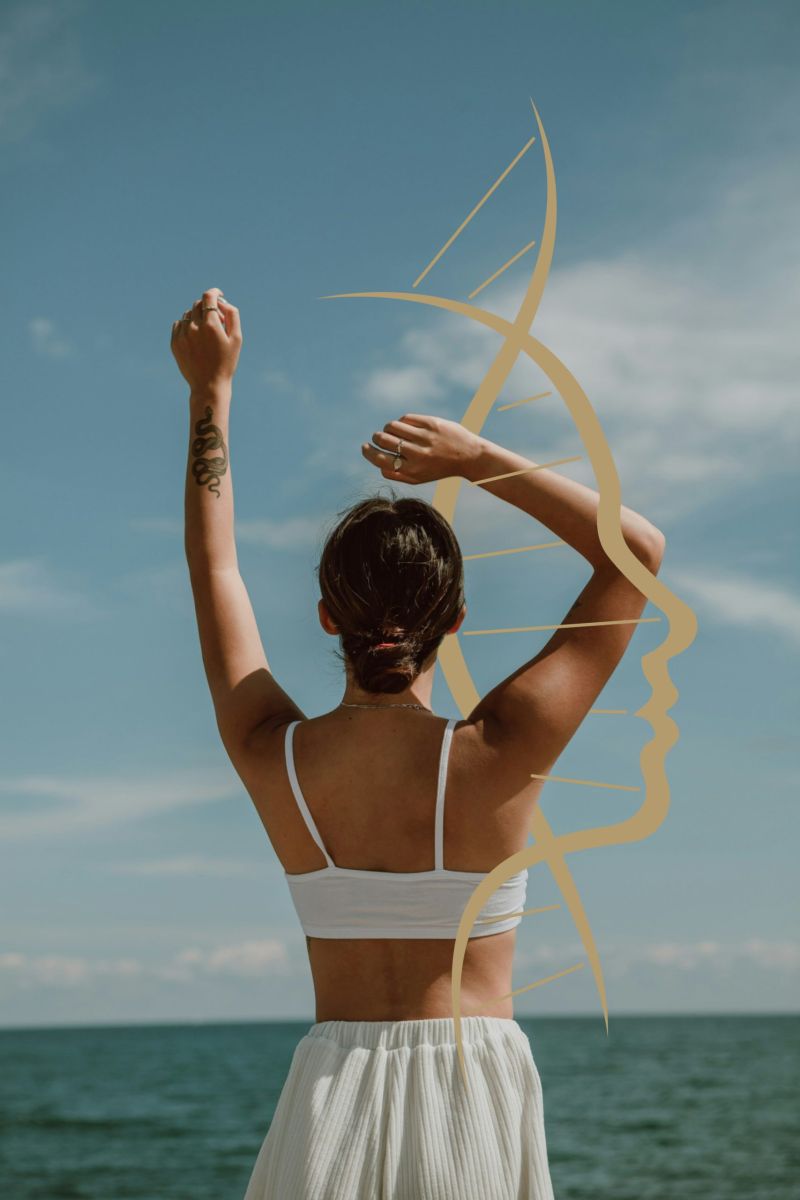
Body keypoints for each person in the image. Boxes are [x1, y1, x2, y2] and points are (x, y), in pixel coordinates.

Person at [170, 287, 666, 1199]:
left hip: (325, 1102)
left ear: (326, 615)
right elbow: (636, 550)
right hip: (471, 1104)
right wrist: (476, 459)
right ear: (458, 620)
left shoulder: (269, 749)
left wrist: (212, 391)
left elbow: (217, 567)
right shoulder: (504, 747)